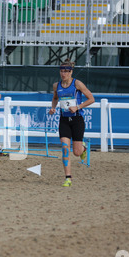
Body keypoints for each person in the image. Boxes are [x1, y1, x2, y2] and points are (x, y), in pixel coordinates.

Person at [49, 59, 95, 187]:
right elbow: (55, 98)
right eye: (61, 71)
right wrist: (53, 107)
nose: (63, 74)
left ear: (71, 72)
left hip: (77, 120)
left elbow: (91, 99)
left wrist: (78, 107)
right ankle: (68, 178)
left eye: (66, 71)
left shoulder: (77, 84)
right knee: (65, 149)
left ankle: (83, 148)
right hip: (64, 120)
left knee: (76, 152)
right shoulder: (56, 85)